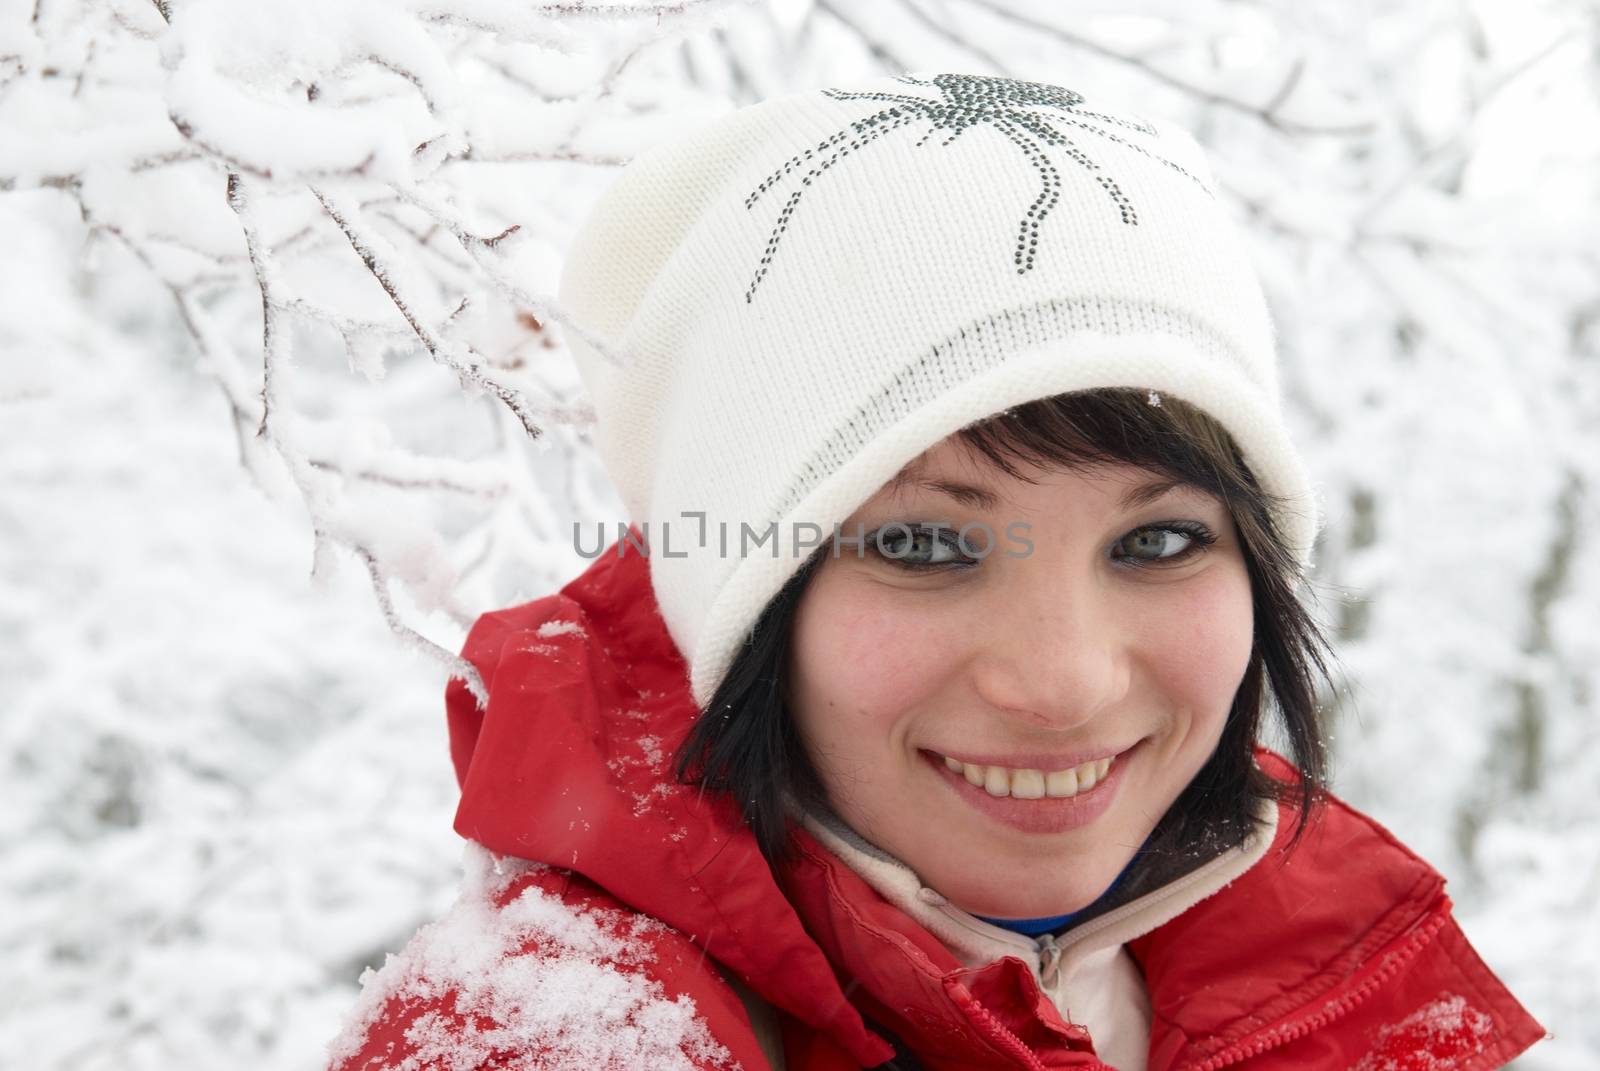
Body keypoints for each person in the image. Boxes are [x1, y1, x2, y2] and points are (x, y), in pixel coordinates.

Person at [324, 72, 1546, 1070]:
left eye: (1159, 541)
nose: (1063, 684)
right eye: (921, 545)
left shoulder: (1345, 990)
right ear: (742, 603)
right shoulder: (549, 1045)